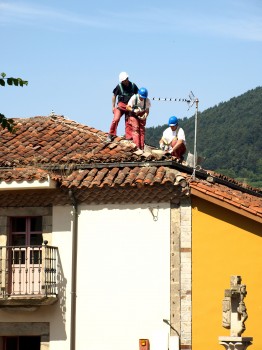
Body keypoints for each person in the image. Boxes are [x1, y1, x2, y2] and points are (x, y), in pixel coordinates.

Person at [107, 72, 139, 142]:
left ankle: (129, 137)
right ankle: (111, 134)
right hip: (121, 106)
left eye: (125, 80)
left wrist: (137, 106)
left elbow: (138, 96)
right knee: (116, 119)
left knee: (129, 122)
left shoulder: (133, 86)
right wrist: (113, 107)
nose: (125, 81)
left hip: (129, 107)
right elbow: (114, 96)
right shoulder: (119, 86)